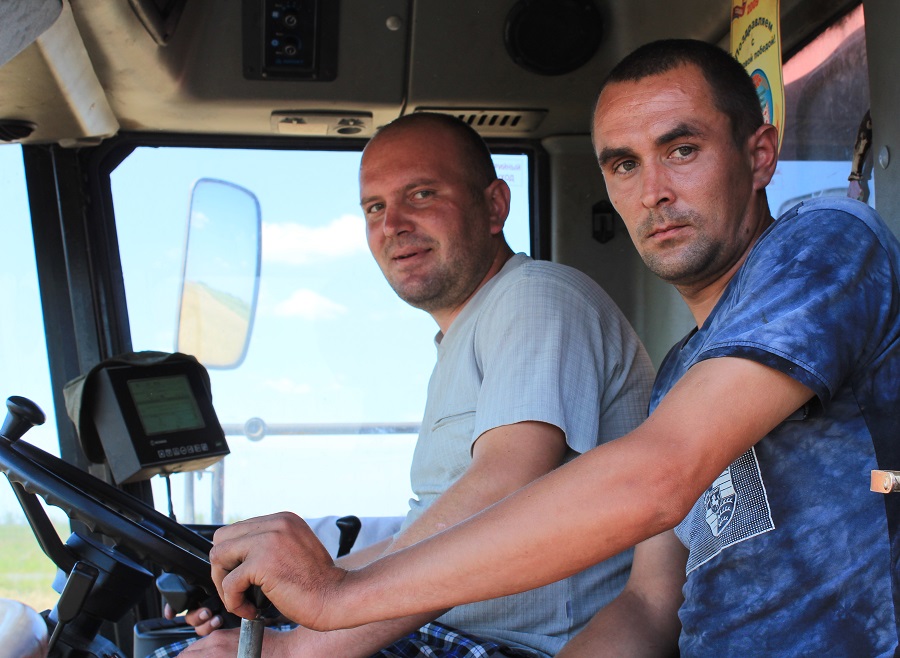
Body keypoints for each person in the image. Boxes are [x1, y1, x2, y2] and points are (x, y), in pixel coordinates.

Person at [202, 39, 900, 657]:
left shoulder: (829, 240)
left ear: (759, 156)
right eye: (624, 165)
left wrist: (337, 603)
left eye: (682, 150)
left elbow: (658, 477)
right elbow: (646, 608)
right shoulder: (681, 376)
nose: (653, 192)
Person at [169, 112, 655, 657]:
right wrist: (281, 598)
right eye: (374, 208)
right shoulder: (466, 333)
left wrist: (296, 649)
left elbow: (502, 487)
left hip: (509, 646)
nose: (392, 224)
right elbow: (419, 539)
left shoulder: (537, 297)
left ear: (495, 206)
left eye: (421, 195)